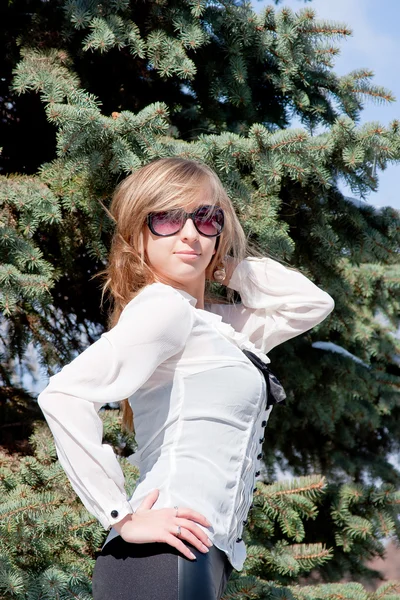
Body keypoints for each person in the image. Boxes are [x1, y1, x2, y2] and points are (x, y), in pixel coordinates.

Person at [37, 157, 335, 600]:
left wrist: (221, 265)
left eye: (206, 218)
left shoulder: (220, 326)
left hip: (201, 555)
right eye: (167, 219)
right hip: (164, 552)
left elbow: (311, 303)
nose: (190, 233)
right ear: (138, 231)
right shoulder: (164, 308)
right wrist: (122, 516)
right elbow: (63, 395)